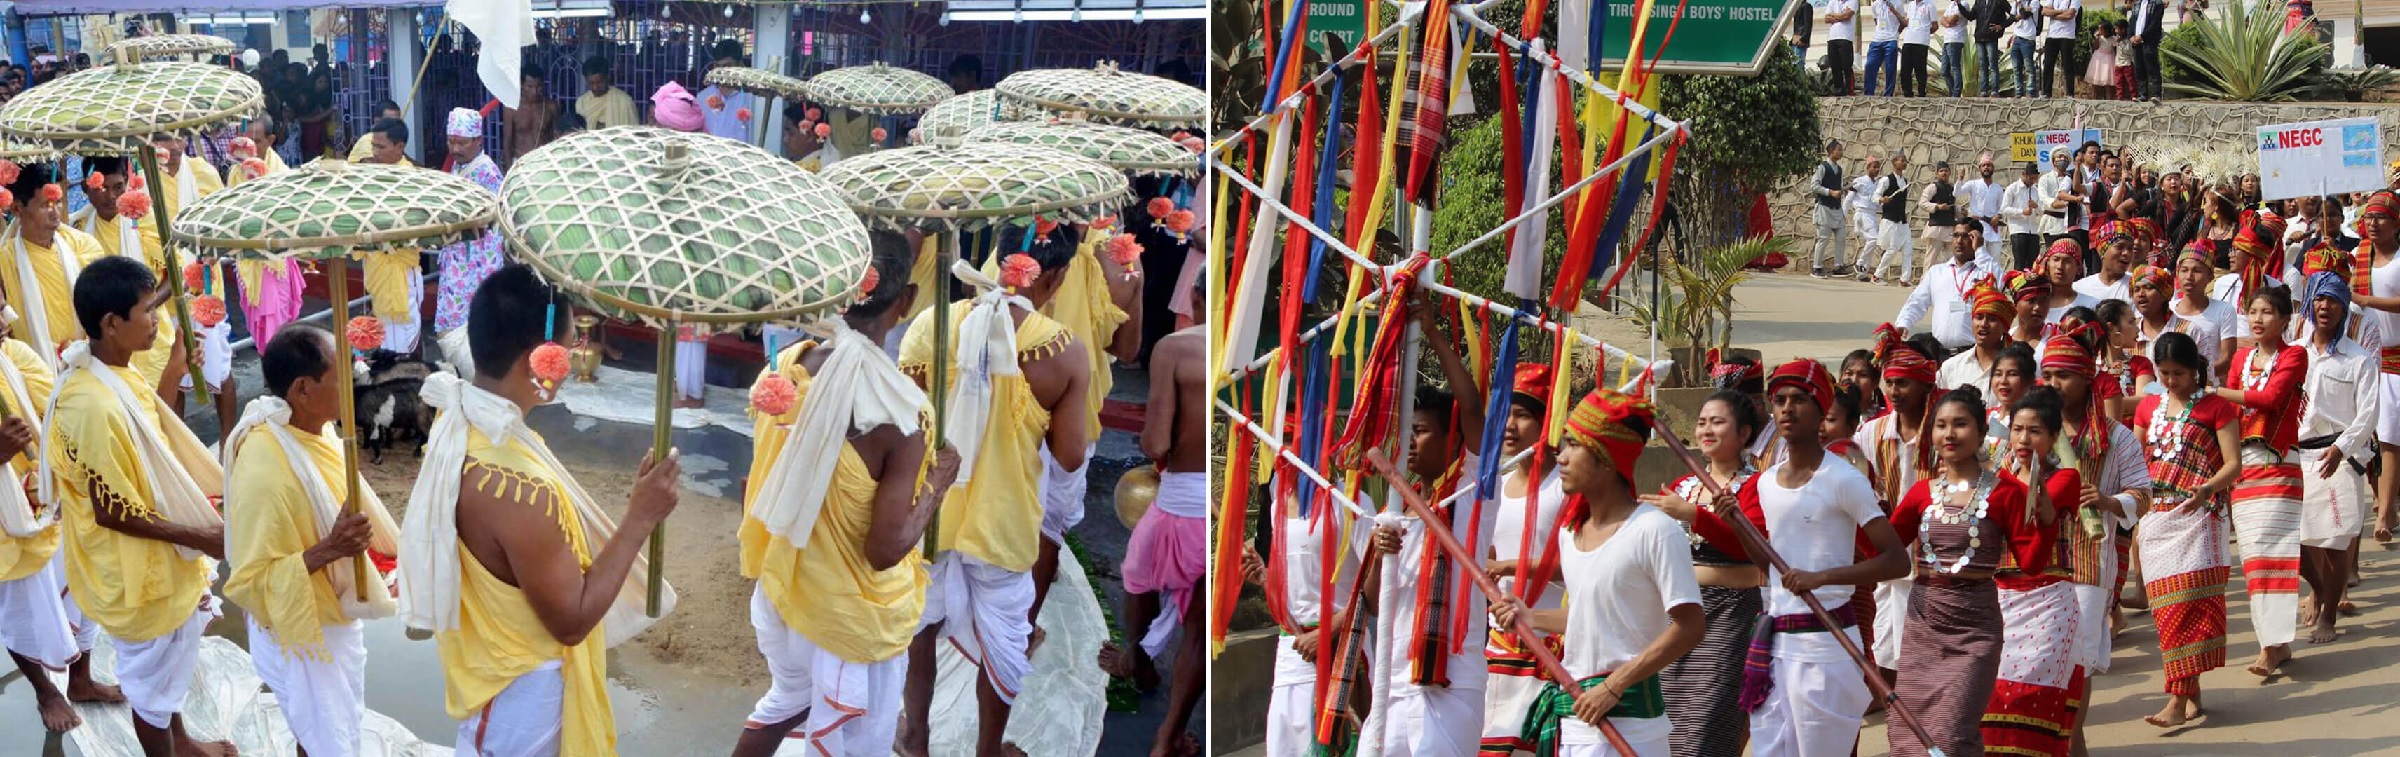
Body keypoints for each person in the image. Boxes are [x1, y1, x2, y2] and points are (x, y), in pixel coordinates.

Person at [396, 263, 683, 755]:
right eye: (569, 347)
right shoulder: (513, 485)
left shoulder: (466, 422)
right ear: (541, 356)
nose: (572, 360)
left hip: (510, 690)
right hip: (520, 702)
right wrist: (640, 519)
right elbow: (571, 623)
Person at [732, 235, 958, 757]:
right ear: (906, 302)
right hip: (845, 618)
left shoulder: (788, 364)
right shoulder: (901, 414)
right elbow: (884, 549)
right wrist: (939, 480)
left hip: (781, 590)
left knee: (786, 700)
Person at [897, 223, 1093, 757]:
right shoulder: (1064, 351)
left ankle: (915, 734)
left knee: (919, 625)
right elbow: (1072, 455)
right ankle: (988, 749)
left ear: (999, 259)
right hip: (1004, 522)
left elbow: (905, 424)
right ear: (1050, 276)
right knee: (1005, 641)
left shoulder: (930, 325)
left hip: (929, 513)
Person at [47, 255, 230, 757]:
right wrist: (203, 537)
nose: (156, 318)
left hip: (154, 547)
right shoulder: (92, 404)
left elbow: (150, 437)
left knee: (168, 673)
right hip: (133, 568)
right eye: (147, 310)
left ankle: (184, 743)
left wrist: (174, 365)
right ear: (111, 324)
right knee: (150, 691)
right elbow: (112, 511)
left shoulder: (115, 372)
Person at [1689, 359, 1911, 757]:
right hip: (1774, 645)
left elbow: (1897, 561)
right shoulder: (1762, 483)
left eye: (1800, 400)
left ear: (1821, 410)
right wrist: (1735, 523)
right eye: (1780, 400)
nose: (1788, 409)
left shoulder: (1844, 479)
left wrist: (1822, 578)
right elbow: (1765, 562)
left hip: (1828, 643)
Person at [222, 324, 403, 757]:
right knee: (328, 737)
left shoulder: (311, 432)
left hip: (329, 615)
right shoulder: (267, 468)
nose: (355, 382)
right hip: (300, 628)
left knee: (330, 728)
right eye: (341, 376)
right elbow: (252, 582)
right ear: (302, 390)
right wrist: (332, 549)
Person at [1491, 389, 1703, 757]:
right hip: (1576, 720)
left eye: (1574, 446)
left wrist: (1614, 685)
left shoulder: (1654, 530)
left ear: (1607, 460)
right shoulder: (1570, 533)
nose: (1562, 455)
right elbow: (1589, 619)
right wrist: (1531, 616)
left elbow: (1690, 625)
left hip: (1631, 725)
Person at [1886, 386, 2053, 757]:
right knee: (1907, 730)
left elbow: (2031, 563)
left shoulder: (2006, 491)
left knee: (1951, 731)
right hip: (1923, 624)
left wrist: (2047, 520)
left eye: (1960, 424)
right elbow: (1882, 548)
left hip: (1975, 627)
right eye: (1941, 425)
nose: (1949, 434)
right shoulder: (1920, 492)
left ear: (1981, 431)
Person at [1361, 311, 1493, 757]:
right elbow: (1374, 600)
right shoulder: (1396, 507)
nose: (1409, 443)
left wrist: (1432, 329)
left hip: (1451, 681)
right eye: (1406, 433)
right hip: (1392, 681)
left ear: (1451, 438)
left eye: (1419, 432)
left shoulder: (1473, 493)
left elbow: (1472, 409)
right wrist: (1382, 554)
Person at [0, 305, 119, 733]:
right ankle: (45, 691)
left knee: (82, 585)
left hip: (50, 497)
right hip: (8, 527)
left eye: (2, 310)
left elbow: (58, 409)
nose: (3, 324)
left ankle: (81, 680)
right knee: (26, 609)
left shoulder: (15, 355)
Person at [1644, 390, 1767, 757]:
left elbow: (1752, 548)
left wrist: (1695, 516)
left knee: (1708, 718)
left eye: (1718, 422)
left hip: (1731, 614)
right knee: (1669, 718)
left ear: (1744, 433)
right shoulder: (1682, 486)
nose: (1706, 429)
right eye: (1701, 422)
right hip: (1677, 611)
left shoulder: (1756, 486)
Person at [1110, 314, 1208, 757]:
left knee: (1139, 575)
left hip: (1180, 499)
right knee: (1198, 629)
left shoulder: (1176, 347)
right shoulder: (1264, 348)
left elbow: (1156, 445)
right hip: (1227, 500)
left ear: (1195, 297)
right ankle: (1168, 735)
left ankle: (1141, 662)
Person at [2131, 331, 2240, 728]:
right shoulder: (2148, 408)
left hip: (2200, 517)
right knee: (2166, 611)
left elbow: (2234, 465)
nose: (2171, 380)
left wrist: (2207, 487)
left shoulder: (2216, 408)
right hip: (2157, 520)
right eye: (2164, 373)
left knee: (2187, 606)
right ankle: (2190, 690)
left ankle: (2176, 700)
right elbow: (2135, 461)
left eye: (2179, 373)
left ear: (2196, 370)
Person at [2203, 286, 2310, 676]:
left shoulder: (2295, 354)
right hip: (2245, 467)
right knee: (2252, 559)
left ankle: (2273, 645)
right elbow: (2233, 408)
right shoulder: (2244, 357)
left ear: (2284, 320)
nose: (2258, 319)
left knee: (2276, 555)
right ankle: (2274, 643)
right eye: (2253, 311)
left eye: (2267, 312)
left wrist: (2214, 392)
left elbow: (2269, 399)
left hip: (2279, 464)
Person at [1977, 386, 2087, 757]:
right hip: (2000, 601)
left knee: (2032, 697)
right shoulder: (1994, 478)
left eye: (2035, 431)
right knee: (1992, 701)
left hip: (2048, 603)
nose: (2023, 439)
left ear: (2054, 438)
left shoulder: (2065, 478)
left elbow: (2035, 510)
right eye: (2018, 429)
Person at [1473, 366, 1568, 756]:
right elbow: (1486, 560)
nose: (1510, 426)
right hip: (1500, 643)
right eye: (1505, 414)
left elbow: (1579, 565)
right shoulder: (1493, 485)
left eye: (1523, 415)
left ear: (1547, 420)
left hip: (1553, 641)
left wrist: (1506, 568)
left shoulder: (1565, 486)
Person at [1852, 337, 1942, 676]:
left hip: (1937, 560)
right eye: (1889, 382)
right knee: (1888, 652)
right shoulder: (1870, 433)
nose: (1894, 390)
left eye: (1903, 383)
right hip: (1891, 558)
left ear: (1924, 385)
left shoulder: (1943, 429)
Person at [72, 156, 192, 407]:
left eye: (118, 187)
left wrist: (141, 308)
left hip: (150, 335)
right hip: (108, 341)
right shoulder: (79, 228)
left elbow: (176, 274)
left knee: (166, 406)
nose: (110, 197)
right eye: (100, 188)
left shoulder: (145, 219)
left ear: (127, 183)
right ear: (85, 188)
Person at [2295, 272, 2375, 645]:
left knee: (2335, 541)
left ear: (2344, 307)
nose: (2325, 307)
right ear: (2309, 303)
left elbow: (2367, 415)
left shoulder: (2358, 360)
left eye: (2333, 300)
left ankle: (2329, 614)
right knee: (2299, 538)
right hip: (2298, 453)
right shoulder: (2294, 353)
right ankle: (2318, 588)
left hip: (2340, 456)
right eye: (2319, 299)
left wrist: (2342, 448)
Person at [0, 164, 108, 374]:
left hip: (88, 360)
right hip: (35, 367)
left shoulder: (83, 246)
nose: (55, 212)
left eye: (58, 202)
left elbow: (101, 305)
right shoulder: (4, 261)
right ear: (17, 209)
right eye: (44, 205)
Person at [650, 83, 716, 407]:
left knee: (689, 324)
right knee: (681, 324)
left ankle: (692, 393)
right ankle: (684, 388)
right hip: (682, 246)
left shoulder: (686, 161)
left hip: (693, 249)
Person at [357, 118, 428, 355]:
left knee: (404, 338)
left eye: (381, 147)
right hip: (377, 266)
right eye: (373, 146)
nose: (375, 153)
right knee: (387, 336)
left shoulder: (410, 180)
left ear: (400, 147)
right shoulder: (372, 175)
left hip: (400, 269)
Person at [437, 108, 508, 345]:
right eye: (451, 141)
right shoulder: (457, 167)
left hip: (477, 259)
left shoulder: (487, 171)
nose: (455, 149)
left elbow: (496, 215)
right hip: (456, 254)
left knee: (476, 321)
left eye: (462, 143)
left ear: (478, 141)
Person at [1895, 218, 1999, 351]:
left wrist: (1980, 250)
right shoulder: (1937, 272)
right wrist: (1904, 323)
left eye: (1966, 236)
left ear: (1977, 239)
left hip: (1973, 354)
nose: (1959, 241)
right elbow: (1917, 302)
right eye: (1956, 235)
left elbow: (2000, 282)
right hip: (1940, 354)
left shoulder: (1985, 271)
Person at [2170, 244, 2241, 381]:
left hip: (2207, 387)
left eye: (2197, 271)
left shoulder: (2224, 311)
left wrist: (2194, 378)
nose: (2189, 277)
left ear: (2210, 276)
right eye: (2184, 270)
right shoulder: (2169, 309)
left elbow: (2227, 359)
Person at [1939, 277, 2014, 392]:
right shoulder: (1951, 368)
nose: (1983, 324)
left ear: (2004, 326)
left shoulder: (2015, 370)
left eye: (1992, 319)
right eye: (1979, 317)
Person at [696, 40, 755, 143]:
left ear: (740, 65)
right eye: (719, 66)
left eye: (728, 66)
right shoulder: (702, 97)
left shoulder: (752, 98)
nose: (723, 72)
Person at [1872, 153, 1917, 285]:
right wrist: (1882, 199)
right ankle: (1877, 275)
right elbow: (1875, 197)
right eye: (1901, 161)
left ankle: (1904, 279)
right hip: (1891, 219)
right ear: (1894, 162)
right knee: (1892, 249)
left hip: (1901, 220)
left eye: (1905, 161)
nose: (1904, 163)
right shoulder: (1886, 180)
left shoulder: (1905, 181)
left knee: (1908, 249)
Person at [503, 64, 558, 167]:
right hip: (520, 161)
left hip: (545, 161)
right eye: (530, 86)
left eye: (539, 86)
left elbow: (557, 137)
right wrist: (508, 170)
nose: (535, 91)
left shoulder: (550, 106)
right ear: (522, 85)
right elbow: (507, 143)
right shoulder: (511, 108)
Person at [1812, 141, 1853, 279]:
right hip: (1824, 207)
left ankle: (1838, 266)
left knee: (1841, 237)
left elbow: (1839, 185)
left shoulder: (1839, 169)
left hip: (1836, 208)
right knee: (1823, 238)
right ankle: (1816, 267)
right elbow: (1814, 185)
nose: (1841, 152)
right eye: (1839, 150)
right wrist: (1829, 192)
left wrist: (1846, 188)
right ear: (1831, 151)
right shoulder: (1822, 167)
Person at [1957, 154, 2007, 263]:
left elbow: (2002, 207)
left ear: (1993, 168)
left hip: (1992, 228)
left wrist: (1997, 216)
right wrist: (1960, 179)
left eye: (1988, 165)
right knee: (1978, 259)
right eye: (1983, 165)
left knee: (1995, 260)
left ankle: (1993, 280)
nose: (1986, 168)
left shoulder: (1997, 188)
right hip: (1977, 226)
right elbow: (1957, 192)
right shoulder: (1973, 184)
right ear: (1980, 168)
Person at [2074, 222, 2137, 302]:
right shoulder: (2080, 289)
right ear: (2101, 251)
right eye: (2119, 247)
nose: (2126, 253)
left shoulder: (2137, 285)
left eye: (2130, 249)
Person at [2002, 162, 2047, 269]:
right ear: (2024, 174)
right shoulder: (2012, 188)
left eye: (2035, 179)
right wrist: (2022, 212)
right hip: (2018, 231)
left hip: (2033, 231)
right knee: (2020, 263)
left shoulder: (2036, 190)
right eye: (2031, 178)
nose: (2033, 181)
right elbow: (2004, 209)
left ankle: (2031, 285)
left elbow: (2042, 211)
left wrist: (2036, 206)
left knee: (2033, 265)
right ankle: (2019, 285)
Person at [577, 57, 640, 131]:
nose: (595, 87)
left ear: (607, 77)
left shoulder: (624, 102)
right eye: (591, 83)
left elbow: (633, 133)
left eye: (599, 83)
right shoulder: (582, 102)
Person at [1917, 161, 1958, 272]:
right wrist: (1937, 207)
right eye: (1941, 171)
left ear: (1950, 172)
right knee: (1931, 259)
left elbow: (1953, 206)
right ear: (1937, 174)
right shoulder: (1932, 187)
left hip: (1949, 227)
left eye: (1946, 171)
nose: (1944, 173)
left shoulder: (1952, 188)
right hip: (1936, 228)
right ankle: (1925, 283)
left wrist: (1960, 212)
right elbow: (1922, 203)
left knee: (1952, 259)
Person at [1852, 156, 1887, 277]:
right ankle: (1860, 263)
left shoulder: (1878, 184)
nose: (1877, 169)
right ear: (1868, 168)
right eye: (1874, 167)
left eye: (1878, 167)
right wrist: (1843, 212)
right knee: (1874, 239)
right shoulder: (1859, 181)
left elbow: (1876, 203)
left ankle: (1863, 273)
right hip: (1862, 213)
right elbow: (1849, 198)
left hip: (1872, 215)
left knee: (1871, 242)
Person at [2128, 0, 2166, 101]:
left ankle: (2156, 94)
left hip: (2149, 41)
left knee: (2152, 67)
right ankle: (2142, 94)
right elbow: (2132, 21)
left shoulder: (2157, 3)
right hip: (2136, 41)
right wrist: (2131, 36)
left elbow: (2155, 23)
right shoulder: (2136, 4)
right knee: (2139, 69)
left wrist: (2143, 36)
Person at [1865, 0, 1905, 96]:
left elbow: (1903, 22)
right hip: (1877, 40)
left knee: (1890, 67)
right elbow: (1876, 20)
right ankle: (1868, 93)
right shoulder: (1875, 4)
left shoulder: (1898, 3)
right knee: (1870, 65)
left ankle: (1888, 94)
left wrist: (1896, 32)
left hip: (1891, 39)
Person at [1972, 0, 2009, 94]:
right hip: (1979, 36)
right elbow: (1971, 16)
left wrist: (2001, 26)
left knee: (1993, 64)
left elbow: (2012, 14)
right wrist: (1959, 5)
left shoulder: (1999, 1)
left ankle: (1994, 90)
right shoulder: (1979, 1)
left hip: (1991, 37)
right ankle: (1983, 90)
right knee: (1982, 65)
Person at [1900, 0, 1935, 96]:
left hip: (1921, 42)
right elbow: (1908, 21)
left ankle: (1921, 92)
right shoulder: (1911, 5)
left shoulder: (1929, 5)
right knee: (1905, 69)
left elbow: (1935, 26)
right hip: (1908, 40)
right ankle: (1907, 92)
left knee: (1920, 69)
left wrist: (1923, 32)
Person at [1826, 0, 1860, 94]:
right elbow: (1826, 18)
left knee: (1846, 65)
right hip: (1832, 37)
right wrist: (1840, 16)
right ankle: (1839, 89)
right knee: (1834, 65)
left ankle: (1849, 89)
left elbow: (1846, 16)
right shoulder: (1833, 1)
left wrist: (1833, 15)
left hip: (1845, 37)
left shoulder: (1853, 1)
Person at [1938, 0, 1969, 95]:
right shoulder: (1951, 5)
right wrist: (1947, 22)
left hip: (1956, 39)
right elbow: (1942, 20)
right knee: (1944, 70)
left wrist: (1947, 21)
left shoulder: (1964, 4)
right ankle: (1952, 91)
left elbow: (1952, 20)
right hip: (1947, 39)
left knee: (1955, 67)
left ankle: (1956, 92)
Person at [2083, 20, 2120, 99]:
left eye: (2101, 29)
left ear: (2106, 29)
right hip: (2098, 57)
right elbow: (2095, 47)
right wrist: (2097, 38)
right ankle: (2094, 97)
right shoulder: (2100, 38)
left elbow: (2115, 49)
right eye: (2099, 29)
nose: (2100, 31)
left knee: (2107, 79)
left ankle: (2109, 97)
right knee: (2095, 78)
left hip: (2108, 59)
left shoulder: (2113, 39)